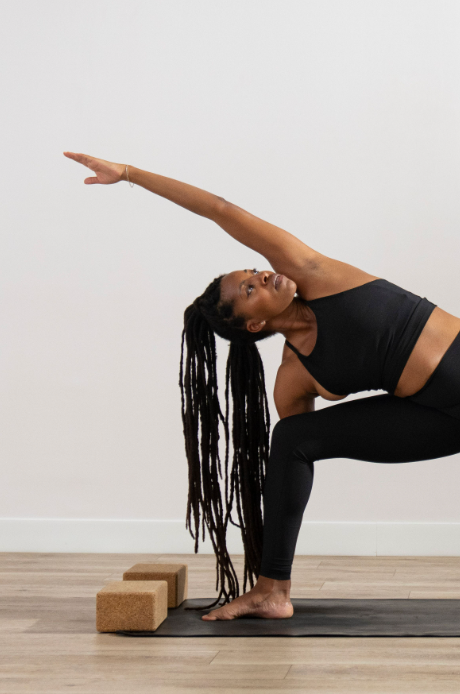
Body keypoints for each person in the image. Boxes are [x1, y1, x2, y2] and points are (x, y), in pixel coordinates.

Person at [64, 152, 460, 622]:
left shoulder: (315, 274)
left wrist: (130, 174)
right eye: (250, 290)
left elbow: (220, 209)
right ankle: (273, 590)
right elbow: (293, 462)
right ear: (254, 325)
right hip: (441, 418)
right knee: (293, 440)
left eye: (251, 271)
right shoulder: (295, 377)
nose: (261, 275)